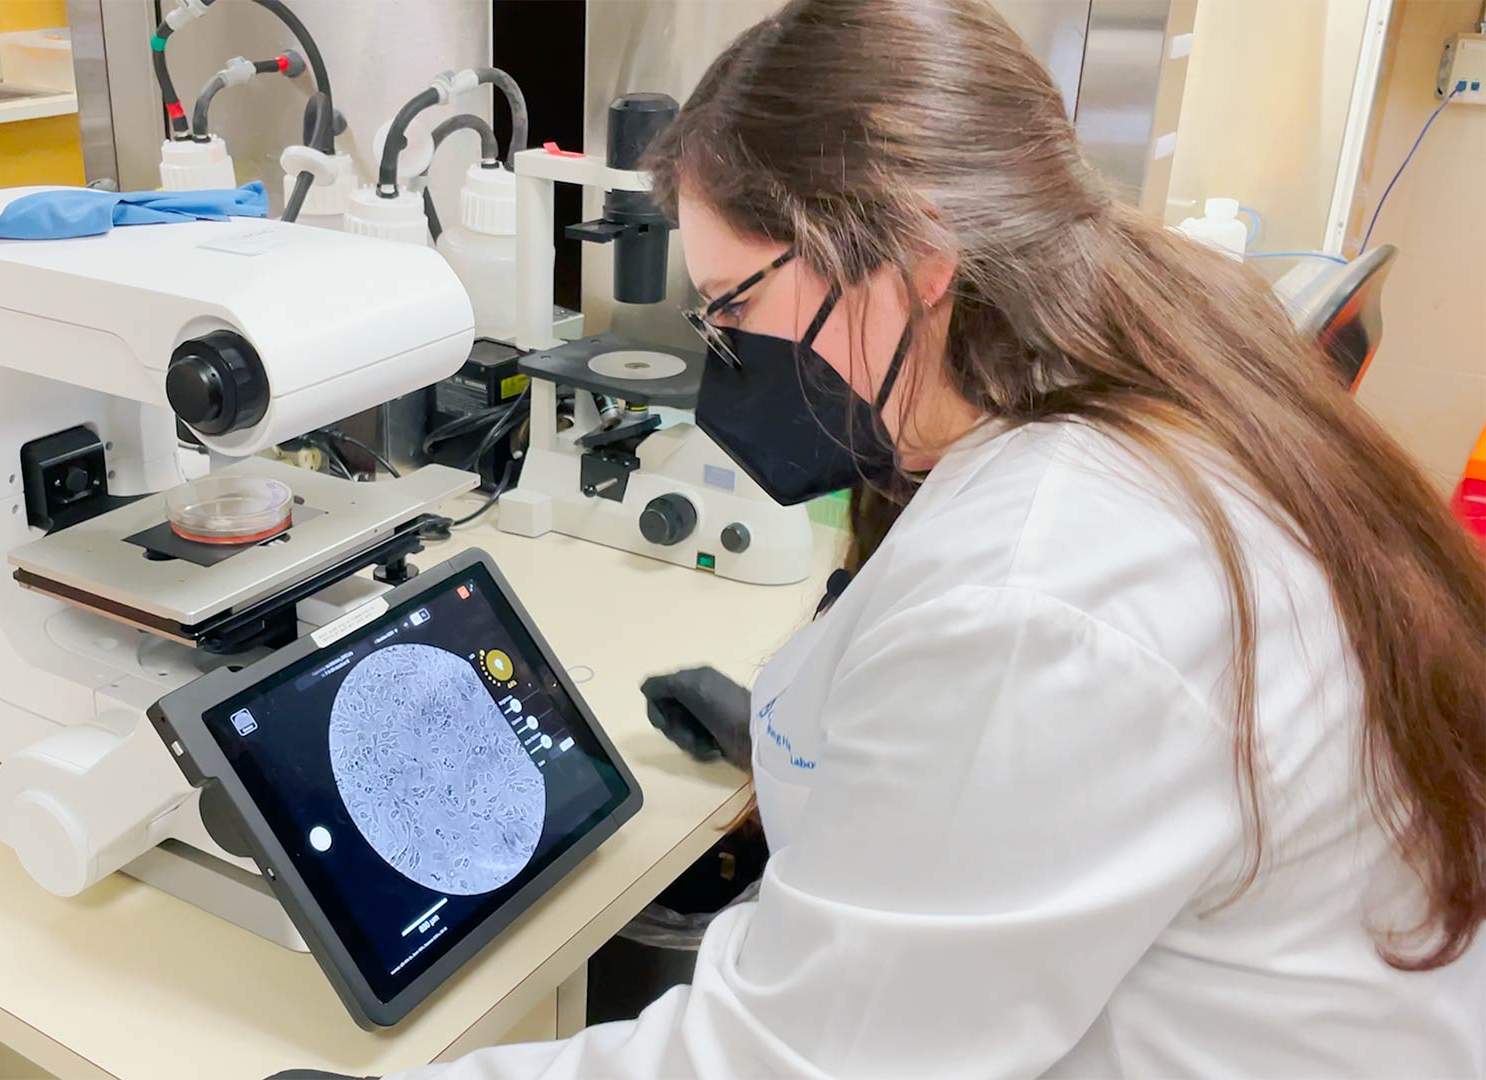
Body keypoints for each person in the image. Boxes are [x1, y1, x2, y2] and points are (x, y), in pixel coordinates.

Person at [385, 0, 1486, 1076]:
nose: (718, 347)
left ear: (913, 264)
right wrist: (794, 747)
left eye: (731, 304)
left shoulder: (1040, 592)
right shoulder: (1154, 376)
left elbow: (783, 1062)